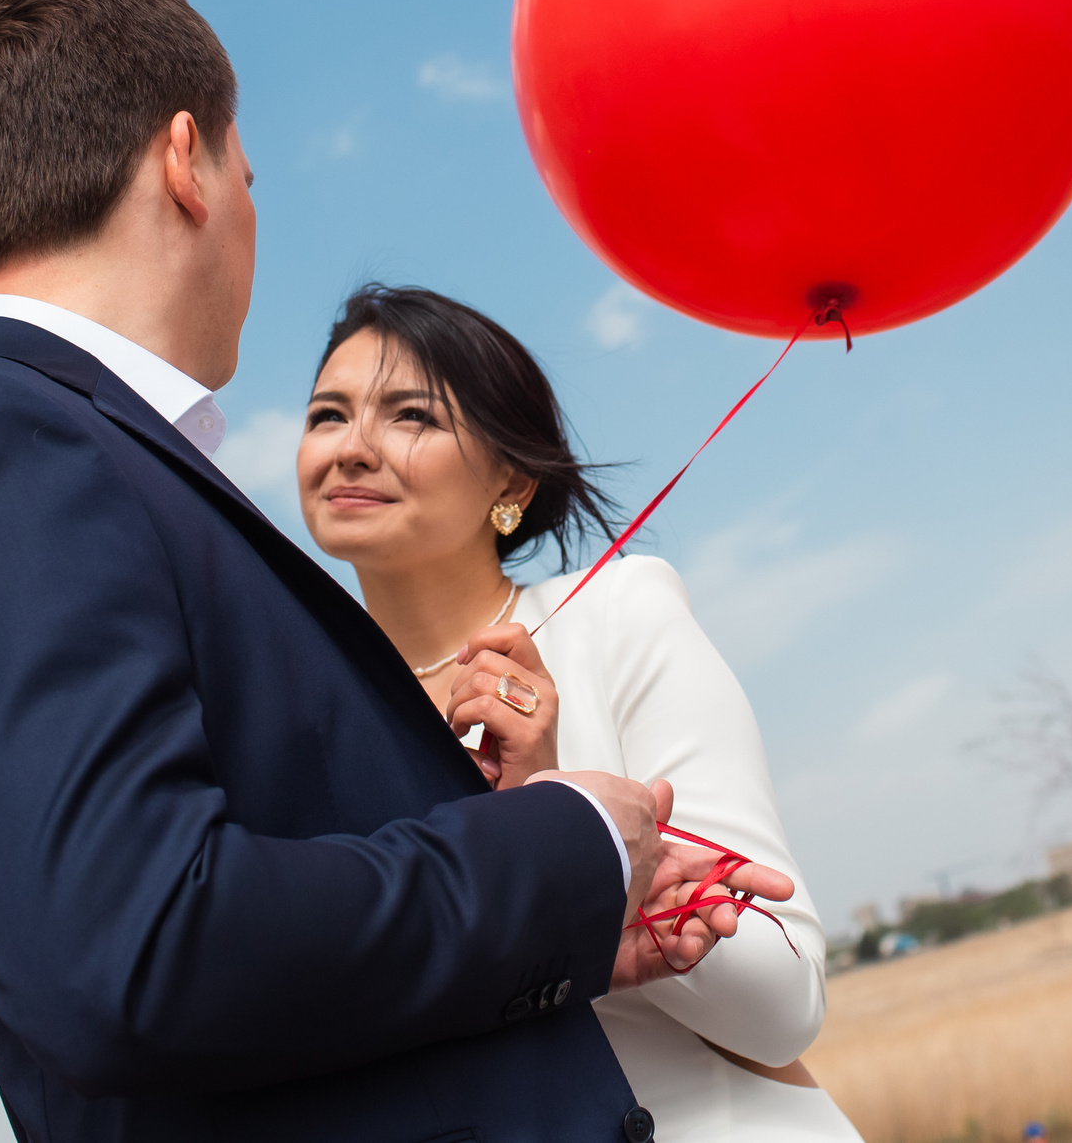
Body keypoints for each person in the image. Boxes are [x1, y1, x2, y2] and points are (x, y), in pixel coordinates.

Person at [0, 0, 789, 1143]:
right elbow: (139, 953)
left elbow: (232, 942)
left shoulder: (64, 456)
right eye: (247, 171)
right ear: (187, 163)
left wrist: (560, 931)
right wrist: (561, 845)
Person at [298, 284, 865, 1142]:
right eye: (327, 415)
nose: (352, 448)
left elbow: (786, 1007)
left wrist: (565, 823)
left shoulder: (617, 618)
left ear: (512, 483)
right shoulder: (303, 719)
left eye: (410, 415)